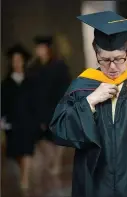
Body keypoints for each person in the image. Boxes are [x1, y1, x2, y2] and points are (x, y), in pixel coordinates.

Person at [49, 11, 127, 197]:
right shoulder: (82, 87)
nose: (113, 67)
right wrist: (89, 102)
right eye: (105, 60)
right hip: (96, 184)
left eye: (118, 59)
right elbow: (59, 130)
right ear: (96, 52)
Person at [27, 36, 71, 174]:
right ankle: (52, 160)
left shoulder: (58, 65)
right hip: (39, 108)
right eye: (37, 48)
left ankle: (56, 163)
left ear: (47, 49)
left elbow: (65, 86)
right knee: (41, 139)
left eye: (41, 47)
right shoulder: (34, 67)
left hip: (56, 105)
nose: (38, 50)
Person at [1, 44, 38, 189]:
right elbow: (2, 103)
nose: (16, 62)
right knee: (16, 153)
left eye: (19, 59)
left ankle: (25, 179)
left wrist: (38, 119)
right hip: (12, 123)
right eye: (14, 60)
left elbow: (36, 102)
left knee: (27, 150)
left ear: (23, 61)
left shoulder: (30, 82)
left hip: (28, 121)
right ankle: (23, 173)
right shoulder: (6, 84)